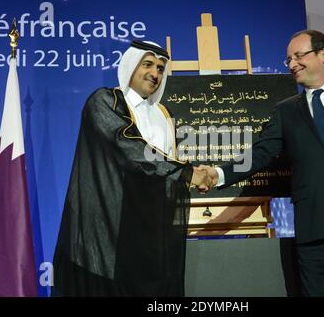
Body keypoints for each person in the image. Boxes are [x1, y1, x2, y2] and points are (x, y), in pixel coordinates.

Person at [197, 30, 324, 296]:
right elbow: (261, 153)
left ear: (323, 54)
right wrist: (217, 174)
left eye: (298, 56)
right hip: (313, 225)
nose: (292, 64)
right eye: (288, 60)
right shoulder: (285, 110)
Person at [52, 40, 210, 296]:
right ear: (129, 66)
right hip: (111, 229)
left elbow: (165, 163)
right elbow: (130, 147)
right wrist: (188, 173)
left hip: (154, 228)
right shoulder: (105, 101)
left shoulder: (164, 115)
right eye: (147, 64)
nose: (155, 73)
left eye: (160, 68)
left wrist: (193, 175)